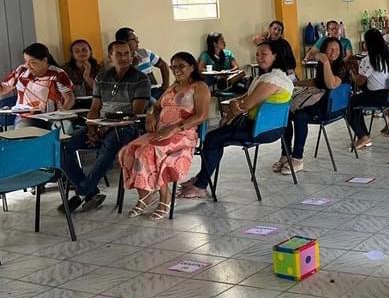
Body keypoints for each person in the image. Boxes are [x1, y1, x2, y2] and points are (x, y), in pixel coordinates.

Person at [177, 39, 295, 199]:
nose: (259, 58)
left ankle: (201, 185)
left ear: (276, 55)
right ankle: (201, 179)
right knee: (217, 136)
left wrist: (234, 107)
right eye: (257, 54)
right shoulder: (279, 77)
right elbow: (243, 99)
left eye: (264, 54)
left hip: (257, 130)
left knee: (212, 138)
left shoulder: (272, 80)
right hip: (274, 129)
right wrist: (235, 105)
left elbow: (245, 105)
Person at [60, 41, 151, 213]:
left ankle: (81, 193)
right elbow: (95, 108)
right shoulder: (102, 77)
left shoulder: (140, 79)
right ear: (110, 57)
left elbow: (135, 113)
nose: (124, 58)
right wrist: (92, 128)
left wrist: (107, 126)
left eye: (127, 54)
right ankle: (91, 191)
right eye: (119, 54)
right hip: (101, 124)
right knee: (62, 146)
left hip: (128, 127)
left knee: (111, 143)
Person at [119, 52, 211, 219]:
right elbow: (156, 107)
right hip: (161, 132)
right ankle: (145, 196)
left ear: (192, 67)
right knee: (129, 151)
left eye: (181, 66)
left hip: (183, 133)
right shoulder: (172, 87)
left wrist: (175, 129)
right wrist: (151, 115)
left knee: (148, 151)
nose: (177, 70)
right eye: (174, 67)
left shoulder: (199, 87)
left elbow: (202, 115)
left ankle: (165, 197)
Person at [280, 37, 351, 174]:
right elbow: (318, 82)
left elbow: (331, 84)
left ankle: (297, 158)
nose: (333, 52)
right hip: (321, 103)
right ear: (324, 50)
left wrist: (325, 61)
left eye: (336, 49)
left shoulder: (342, 67)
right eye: (330, 49)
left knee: (300, 116)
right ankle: (285, 154)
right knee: (287, 113)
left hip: (331, 108)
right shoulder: (322, 65)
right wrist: (297, 83)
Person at [347, 29, 389, 150]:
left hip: (377, 97)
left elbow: (360, 82)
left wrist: (352, 73)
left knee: (350, 103)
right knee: (357, 101)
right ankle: (365, 136)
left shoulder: (368, 59)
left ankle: (363, 136)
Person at [1, 43, 75, 114]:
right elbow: (3, 89)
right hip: (26, 116)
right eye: (26, 61)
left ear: (45, 60)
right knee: (24, 126)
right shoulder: (21, 71)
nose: (28, 66)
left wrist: (62, 112)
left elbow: (69, 98)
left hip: (51, 115)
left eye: (33, 62)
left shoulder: (57, 74)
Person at [115, 27, 170, 100]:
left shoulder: (144, 53)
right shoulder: (118, 61)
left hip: (155, 91)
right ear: (123, 42)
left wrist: (165, 86)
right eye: (134, 39)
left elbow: (163, 65)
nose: (138, 41)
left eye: (137, 38)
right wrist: (134, 65)